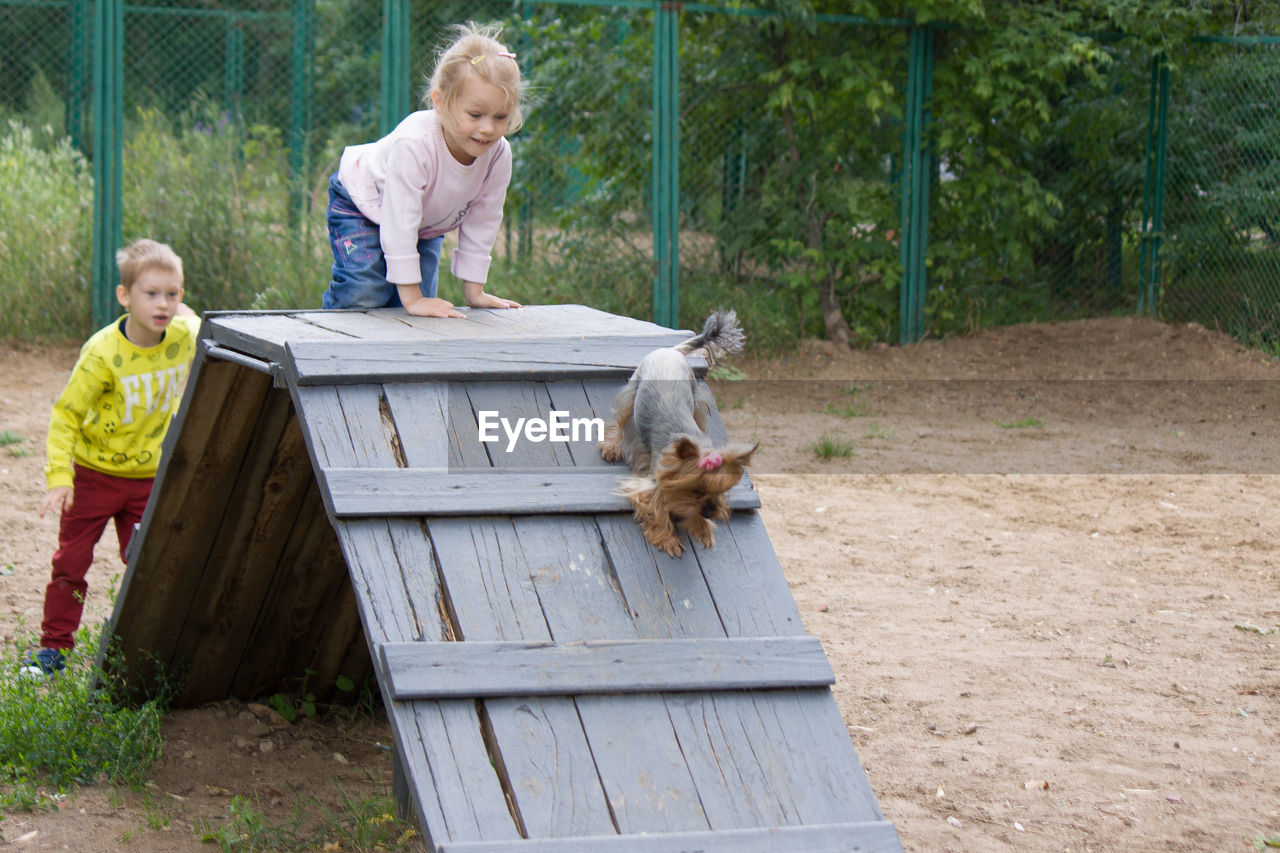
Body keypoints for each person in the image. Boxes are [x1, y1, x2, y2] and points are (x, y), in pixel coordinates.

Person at [24, 239, 200, 678]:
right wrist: (60, 477)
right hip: (92, 478)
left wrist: (187, 313)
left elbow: (197, 323)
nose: (163, 304)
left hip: (148, 478)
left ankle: (145, 653)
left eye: (172, 294)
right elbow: (65, 415)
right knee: (71, 564)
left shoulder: (183, 336)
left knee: (149, 563)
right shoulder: (102, 354)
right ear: (125, 296)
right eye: (151, 293)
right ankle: (54, 651)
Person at [321, 22, 526, 318]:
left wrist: (474, 292)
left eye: (500, 116)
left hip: (422, 224)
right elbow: (399, 220)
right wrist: (413, 299)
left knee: (416, 311)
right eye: (475, 114)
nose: (488, 128)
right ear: (440, 102)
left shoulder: (497, 156)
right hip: (362, 201)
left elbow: (484, 220)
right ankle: (324, 344)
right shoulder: (415, 144)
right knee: (366, 294)